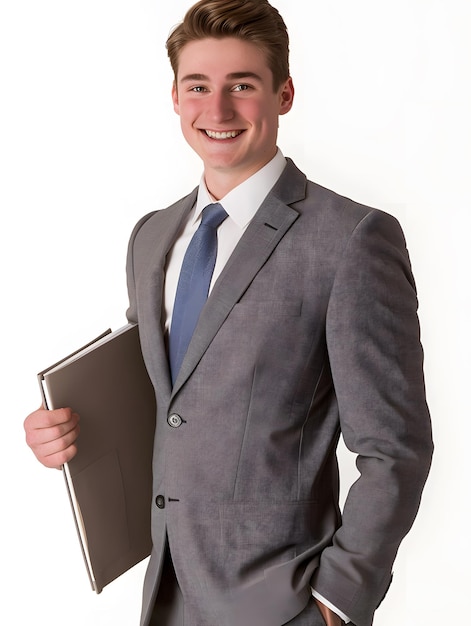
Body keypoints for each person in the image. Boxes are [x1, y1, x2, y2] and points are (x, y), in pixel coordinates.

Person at [24, 1, 433, 625]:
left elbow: (396, 446)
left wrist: (337, 600)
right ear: (176, 96)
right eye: (198, 87)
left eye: (241, 86)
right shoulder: (152, 237)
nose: (216, 111)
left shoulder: (350, 239)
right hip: (165, 586)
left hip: (284, 598)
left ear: (284, 93)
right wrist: (65, 435)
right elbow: (166, 404)